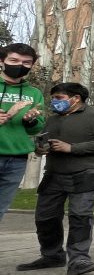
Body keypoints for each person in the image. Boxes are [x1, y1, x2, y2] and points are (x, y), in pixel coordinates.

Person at [16, 82, 94, 275]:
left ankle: (79, 259)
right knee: (45, 217)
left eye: (59, 98)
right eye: (53, 98)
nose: (54, 102)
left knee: (80, 216)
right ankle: (52, 256)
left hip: (86, 173)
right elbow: (43, 141)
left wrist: (72, 148)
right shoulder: (53, 120)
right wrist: (40, 149)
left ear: (75, 98)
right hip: (53, 173)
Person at [0, 43, 45, 223]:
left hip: (16, 159)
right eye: (14, 60)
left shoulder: (33, 93)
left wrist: (30, 120)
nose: (20, 65)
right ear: (2, 61)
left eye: (26, 62)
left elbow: (37, 128)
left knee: (1, 207)